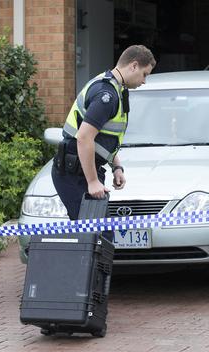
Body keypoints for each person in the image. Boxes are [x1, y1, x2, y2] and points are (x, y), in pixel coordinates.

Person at [52, 45, 156, 220]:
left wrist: (116, 166)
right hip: (74, 175)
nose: (144, 81)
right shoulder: (106, 96)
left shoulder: (116, 88)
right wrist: (92, 182)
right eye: (145, 74)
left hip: (81, 172)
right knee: (95, 238)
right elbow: (84, 138)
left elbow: (105, 138)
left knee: (99, 238)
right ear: (133, 66)